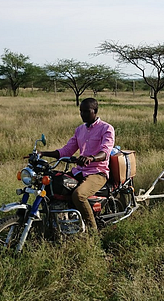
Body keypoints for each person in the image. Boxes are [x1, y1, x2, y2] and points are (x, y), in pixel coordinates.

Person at [40, 98, 115, 231]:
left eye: (86, 111)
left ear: (95, 111)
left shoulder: (106, 128)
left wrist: (91, 158)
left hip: (97, 172)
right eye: (81, 111)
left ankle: (93, 231)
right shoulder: (80, 129)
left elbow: (105, 152)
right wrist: (43, 153)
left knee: (78, 195)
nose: (83, 114)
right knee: (54, 187)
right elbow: (66, 151)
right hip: (79, 171)